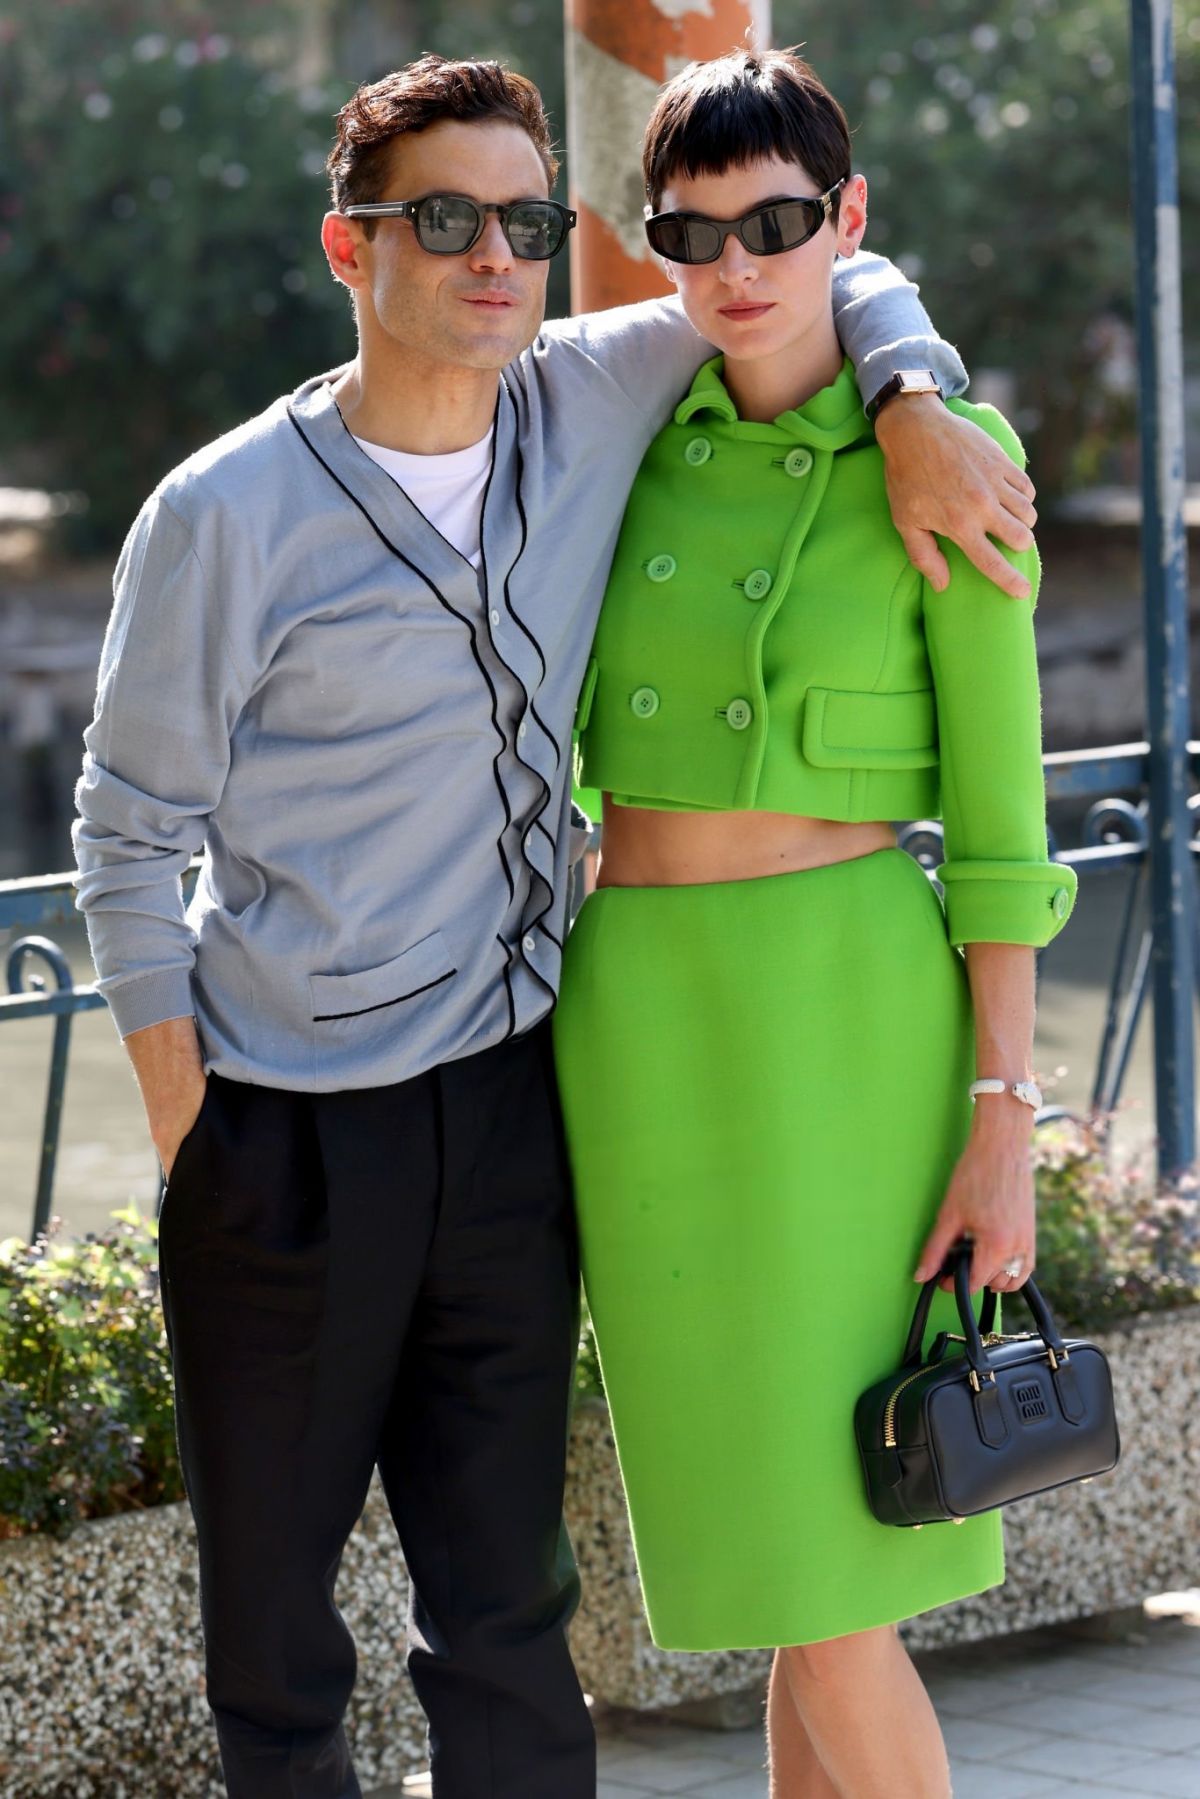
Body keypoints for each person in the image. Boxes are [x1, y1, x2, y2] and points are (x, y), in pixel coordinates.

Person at [72, 52, 1040, 1799]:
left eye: (524, 219)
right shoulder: (228, 513)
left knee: (516, 1615)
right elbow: (127, 835)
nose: (495, 256)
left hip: (524, 1092)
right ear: (348, 246)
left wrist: (908, 390)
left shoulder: (590, 397)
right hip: (303, 1120)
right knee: (281, 1643)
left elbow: (820, 259)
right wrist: (190, 1127)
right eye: (443, 220)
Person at [554, 47, 1077, 1799]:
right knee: (795, 1566)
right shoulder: (618, 445)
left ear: (845, 222)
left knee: (842, 1583)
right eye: (693, 231)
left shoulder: (945, 457)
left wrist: (1006, 1119)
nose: (736, 265)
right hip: (640, 1032)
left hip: (850, 1030)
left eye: (779, 222)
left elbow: (1005, 838)